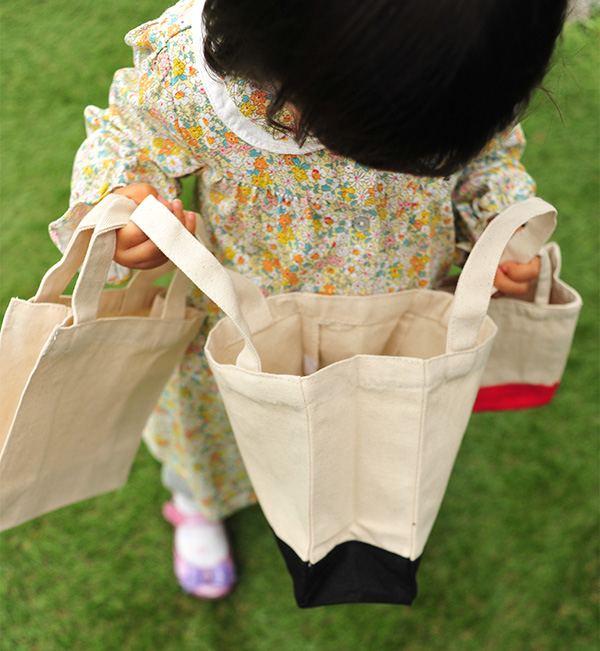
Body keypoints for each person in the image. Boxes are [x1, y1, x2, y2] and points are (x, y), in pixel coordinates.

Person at [49, 0, 568, 599]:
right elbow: (129, 135)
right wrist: (125, 203)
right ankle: (198, 503)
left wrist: (497, 222)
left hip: (391, 318)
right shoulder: (203, 81)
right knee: (215, 433)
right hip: (245, 319)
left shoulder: (465, 71)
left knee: (362, 425)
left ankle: (342, 497)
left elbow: (490, 158)